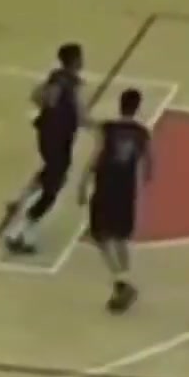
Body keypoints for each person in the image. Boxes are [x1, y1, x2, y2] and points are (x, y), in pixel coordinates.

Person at [4, 43, 85, 254]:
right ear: (75, 60)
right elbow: (61, 104)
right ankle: (18, 234)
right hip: (56, 137)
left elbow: (36, 96)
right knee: (52, 190)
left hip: (53, 136)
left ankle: (20, 200)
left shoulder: (58, 77)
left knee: (50, 173)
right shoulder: (67, 82)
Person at [78, 88, 152, 312]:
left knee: (100, 236)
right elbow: (149, 166)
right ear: (137, 107)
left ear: (120, 105)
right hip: (126, 189)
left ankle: (122, 283)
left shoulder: (107, 128)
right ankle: (124, 281)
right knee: (120, 238)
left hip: (105, 186)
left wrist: (83, 182)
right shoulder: (142, 134)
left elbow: (96, 155)